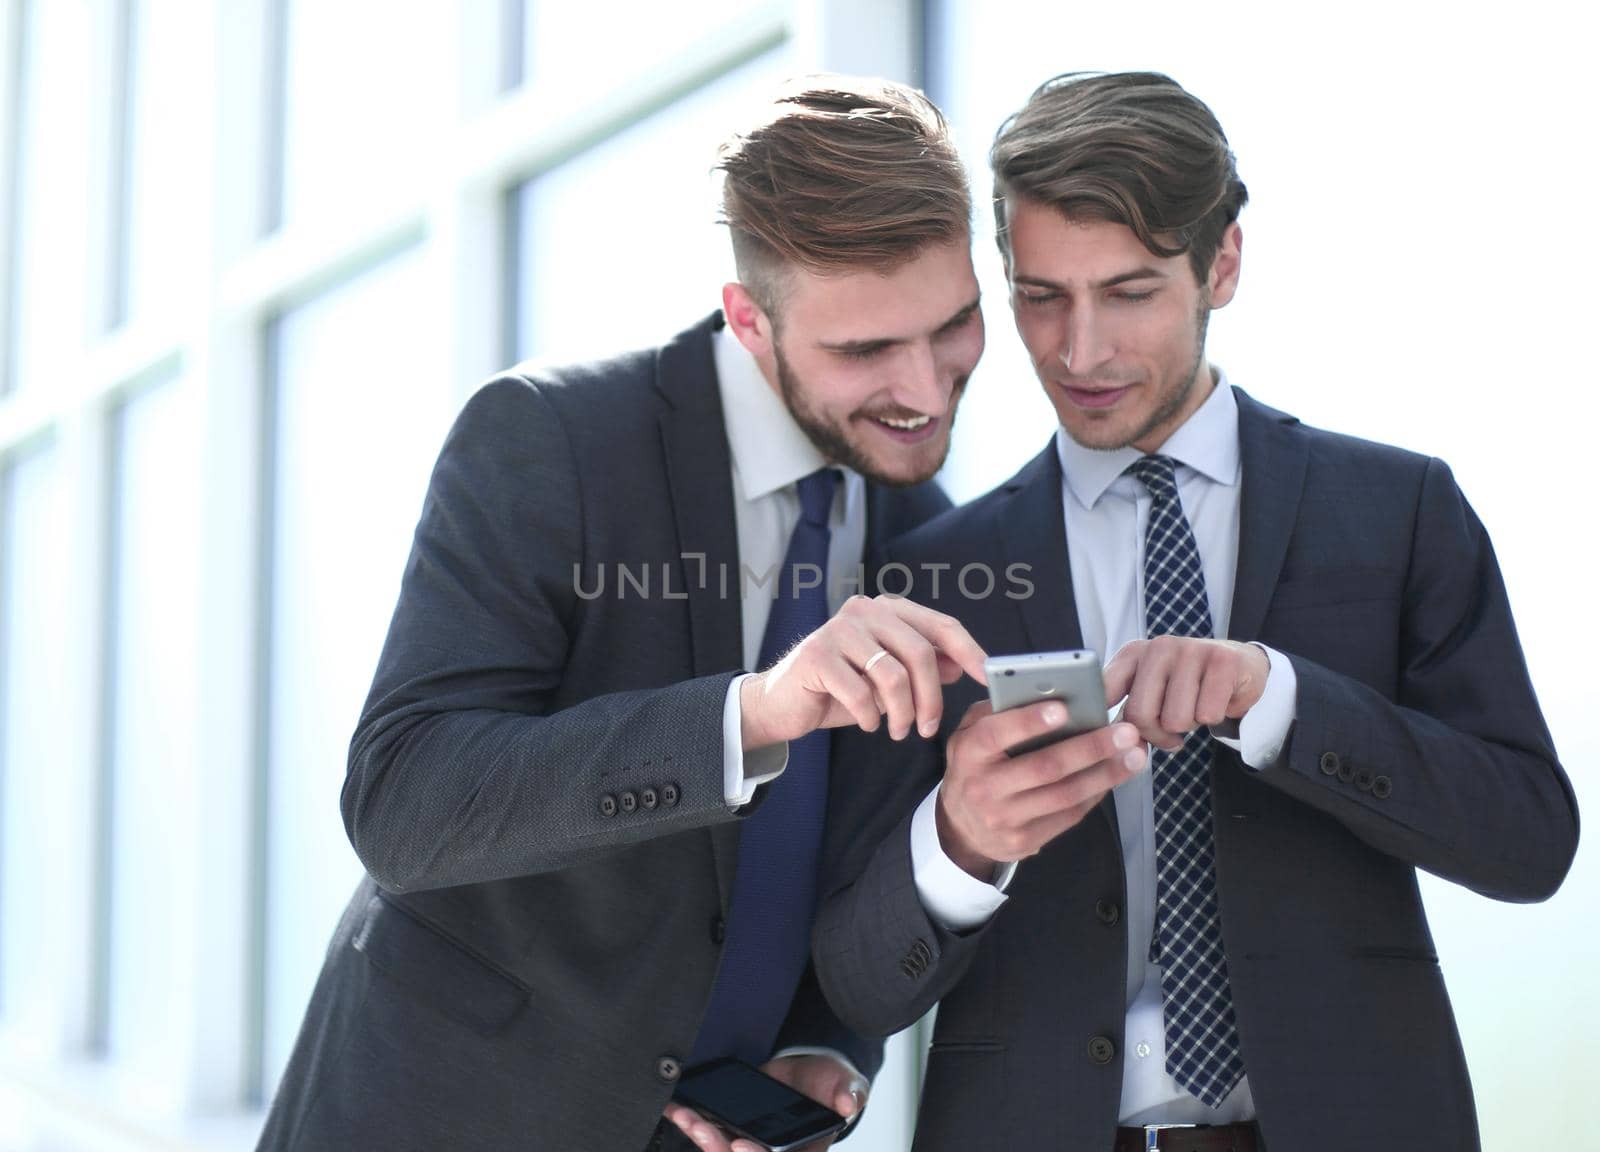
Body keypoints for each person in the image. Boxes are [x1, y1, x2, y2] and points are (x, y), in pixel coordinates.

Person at [812, 71, 1579, 1152]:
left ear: (1221, 262)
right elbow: (848, 978)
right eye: (1041, 296)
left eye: (1127, 293)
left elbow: (1528, 842)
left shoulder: (1396, 511)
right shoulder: (930, 578)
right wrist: (960, 843)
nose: (1078, 354)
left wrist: (1285, 705)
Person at [256, 75, 992, 1152]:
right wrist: (750, 715)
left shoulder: (932, 539)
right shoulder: (550, 440)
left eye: (955, 324)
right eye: (864, 352)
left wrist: (827, 1043)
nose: (926, 389)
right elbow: (405, 800)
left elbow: (843, 866)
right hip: (445, 1116)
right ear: (750, 319)